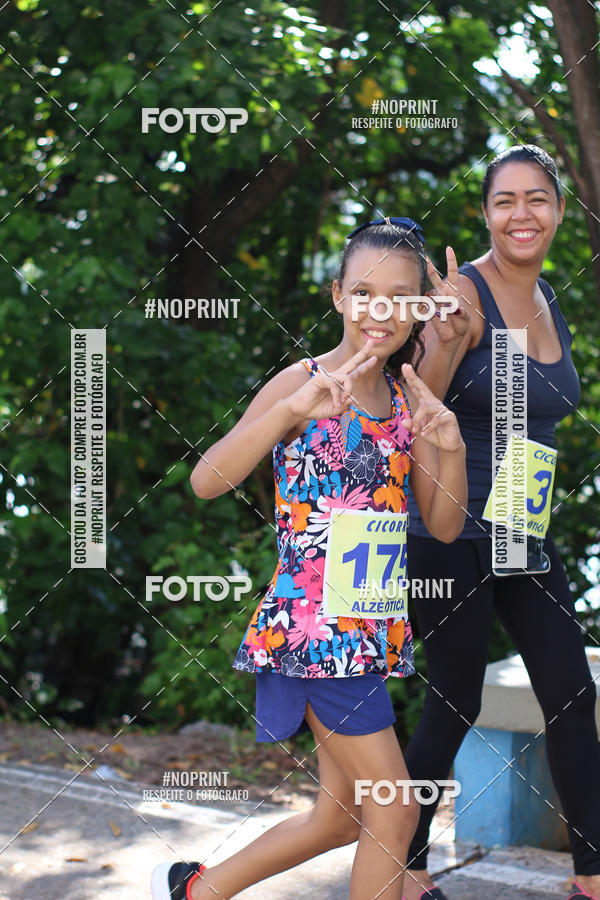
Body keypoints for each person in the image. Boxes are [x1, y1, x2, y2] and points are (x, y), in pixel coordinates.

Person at [151, 218, 468, 900]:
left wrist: (452, 448)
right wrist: (289, 410)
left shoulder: (407, 401)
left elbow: (443, 525)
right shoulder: (306, 379)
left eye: (399, 296)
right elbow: (207, 479)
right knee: (394, 802)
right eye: (363, 292)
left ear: (418, 309)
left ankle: (196, 892)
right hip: (316, 630)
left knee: (342, 815)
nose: (379, 310)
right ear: (337, 297)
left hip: (369, 629)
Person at [402, 145, 600, 900]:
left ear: (557, 212)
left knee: (571, 690)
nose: (523, 214)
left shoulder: (550, 298)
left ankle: (590, 875)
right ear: (486, 213)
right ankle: (404, 863)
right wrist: (449, 337)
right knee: (456, 697)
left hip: (522, 525)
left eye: (538, 199)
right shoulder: (463, 295)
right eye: (505, 200)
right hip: (450, 527)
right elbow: (419, 403)